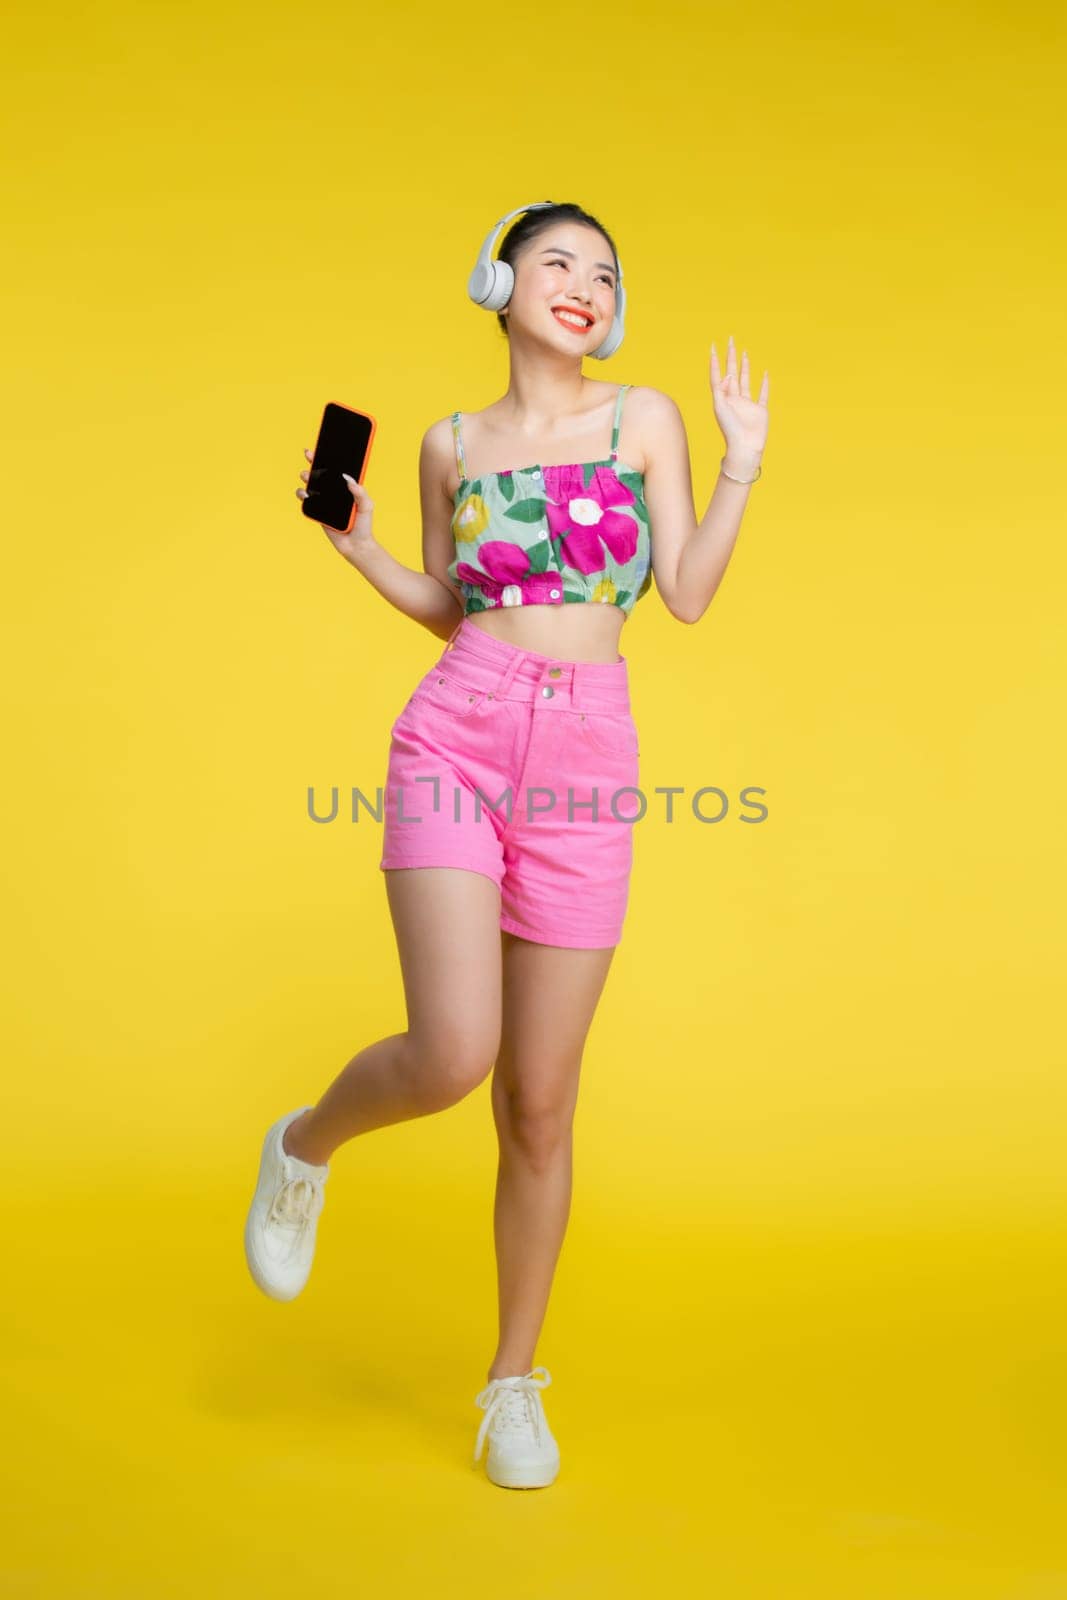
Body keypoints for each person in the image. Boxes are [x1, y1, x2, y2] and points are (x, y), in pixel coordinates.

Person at [244, 200, 770, 1489]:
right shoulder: (449, 443)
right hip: (456, 736)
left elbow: (686, 595)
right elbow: (454, 604)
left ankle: (510, 1384)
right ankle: (304, 1143)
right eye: (557, 263)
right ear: (500, 281)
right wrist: (361, 549)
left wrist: (743, 464)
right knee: (454, 1053)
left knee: (538, 1100)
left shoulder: (642, 418)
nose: (584, 286)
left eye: (605, 273)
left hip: (589, 754)